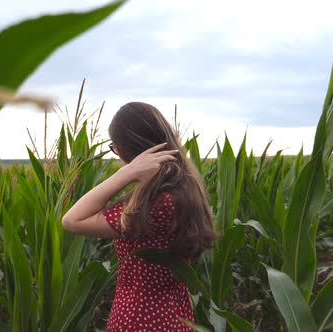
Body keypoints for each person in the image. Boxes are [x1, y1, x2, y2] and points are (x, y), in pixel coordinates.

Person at [62, 102, 217, 331]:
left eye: (115, 148)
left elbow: (71, 220)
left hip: (139, 317)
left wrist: (127, 172)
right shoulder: (185, 191)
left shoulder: (156, 205)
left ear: (126, 151)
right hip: (176, 314)